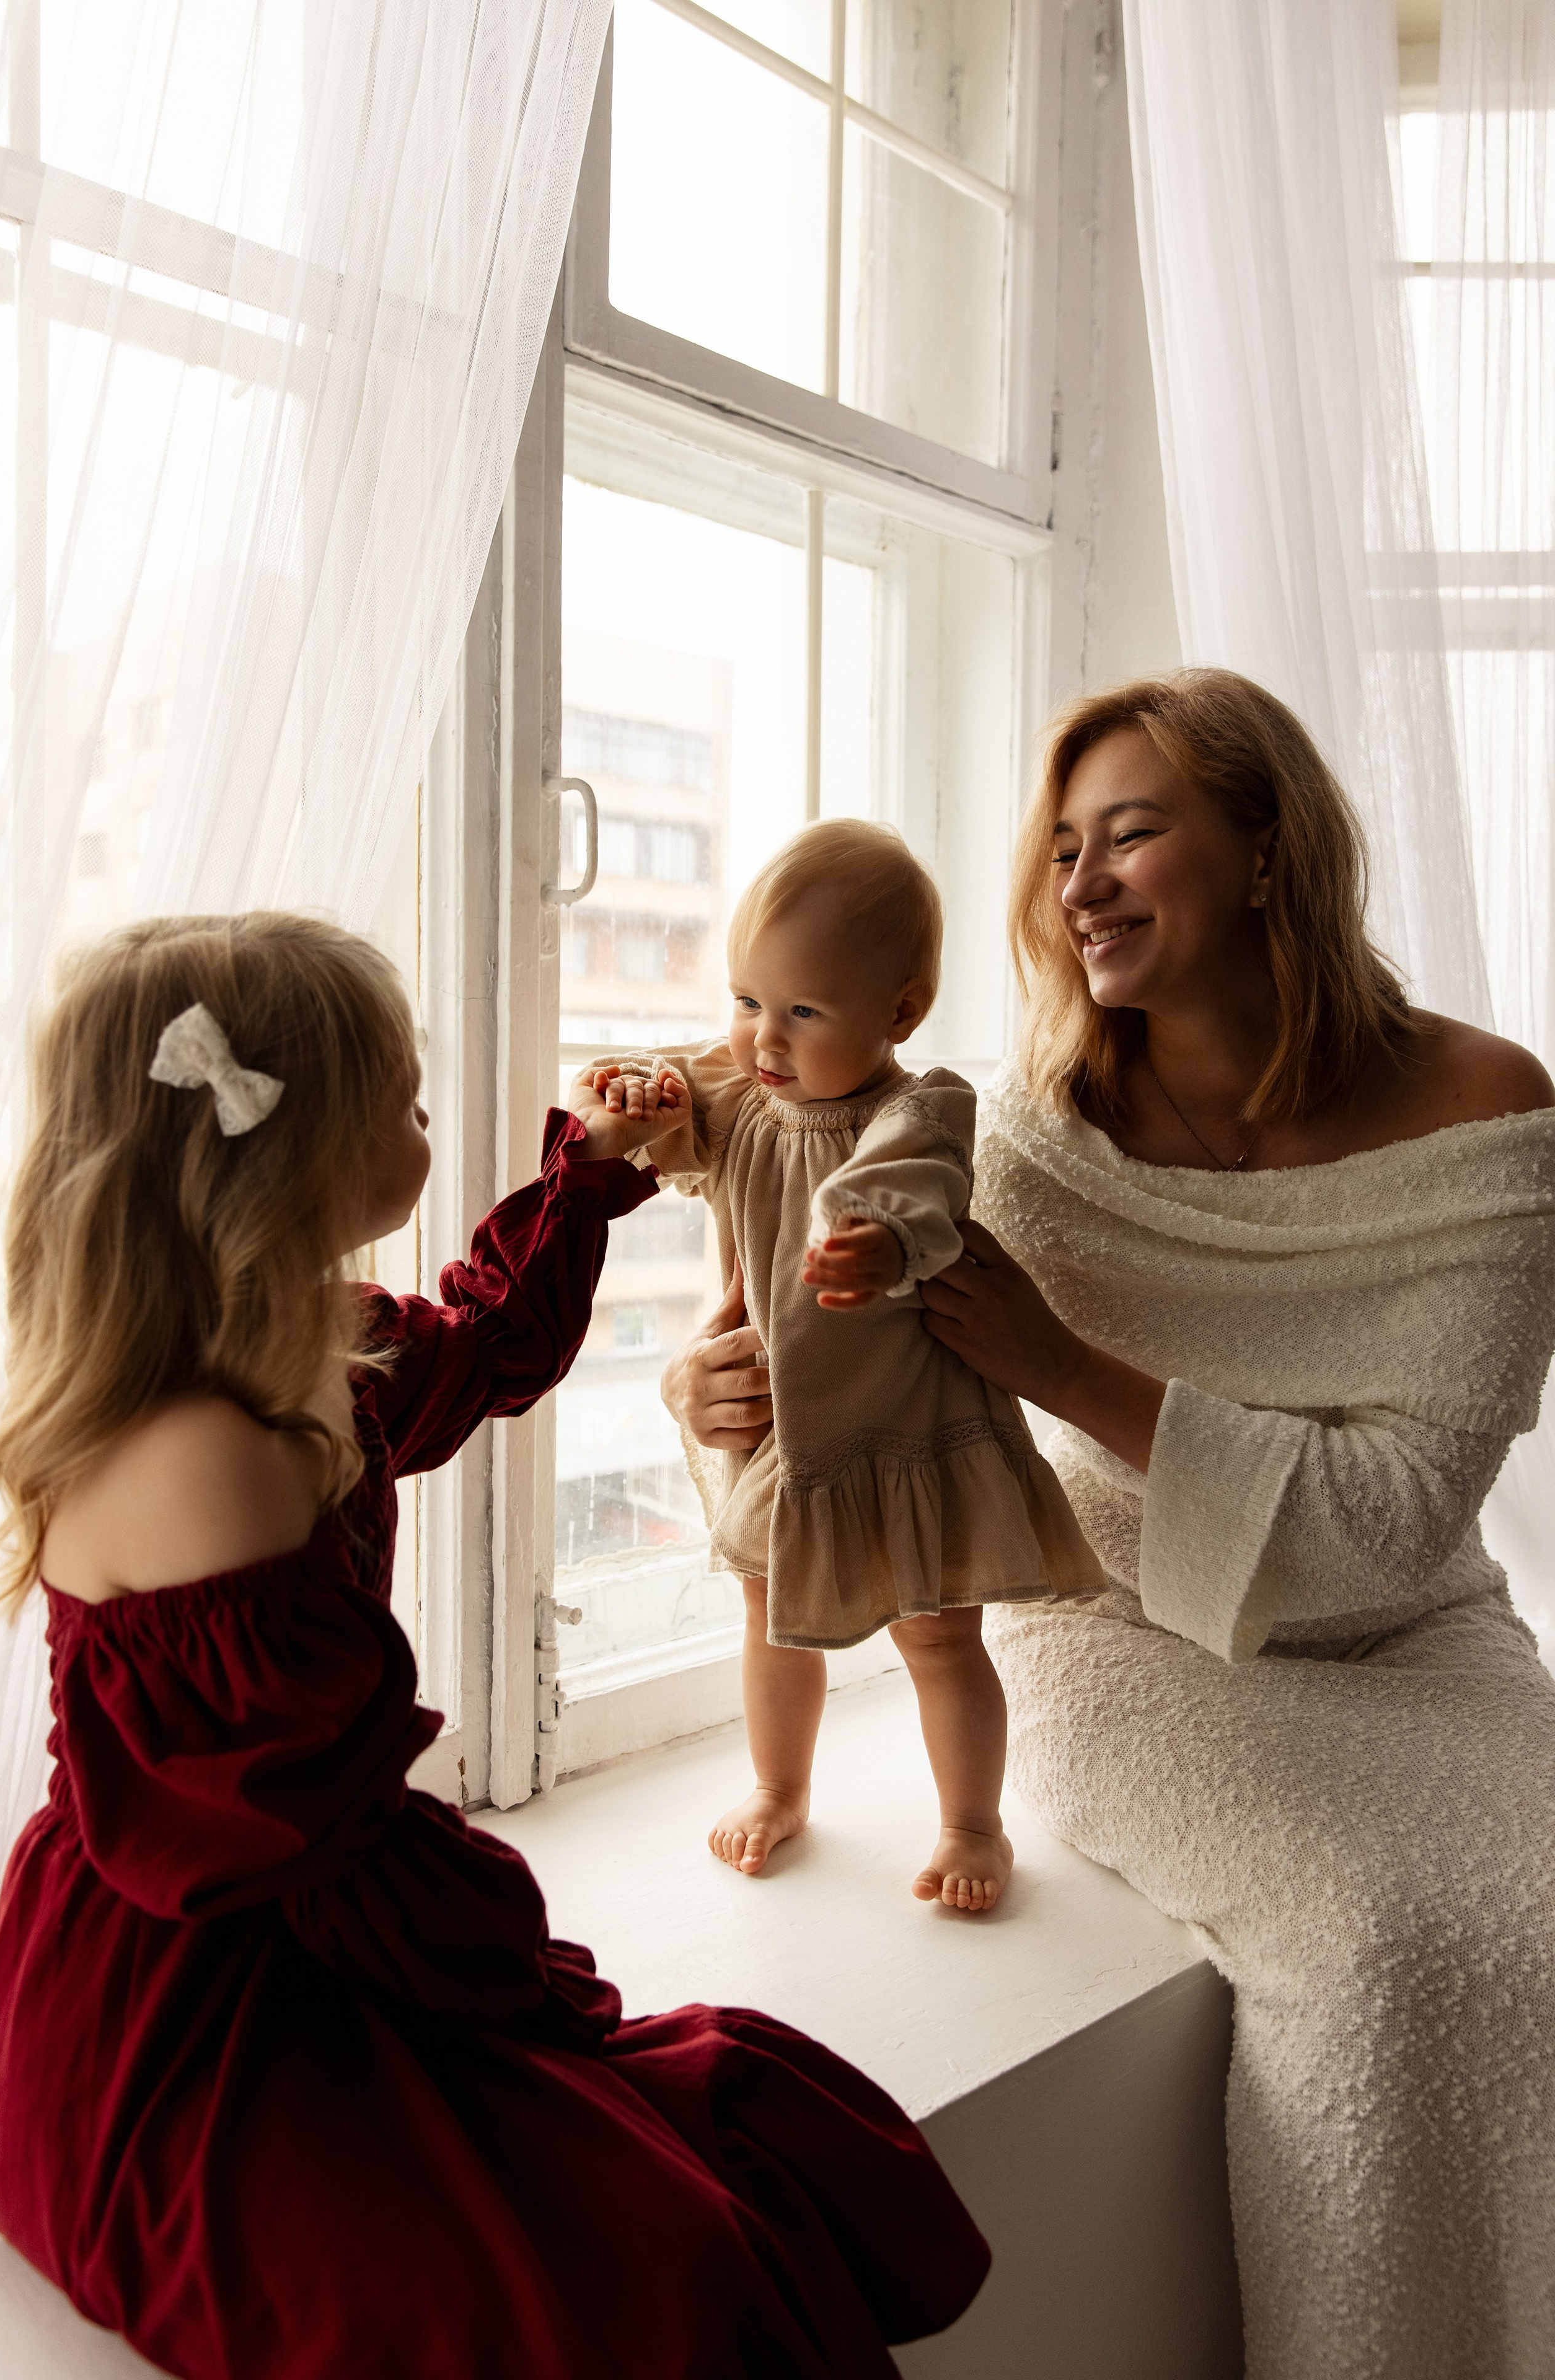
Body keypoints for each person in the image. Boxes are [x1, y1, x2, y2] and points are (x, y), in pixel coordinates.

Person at [663, 669, 1555, 2379]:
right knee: (1378, 1956)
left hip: (1420, 1627)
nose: (1078, 881)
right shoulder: (1025, 1136)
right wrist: (715, 1404)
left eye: (1132, 831)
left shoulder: (1487, 1117)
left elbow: (1392, 1524)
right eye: (1062, 845)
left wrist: (1063, 1366)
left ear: (1270, 851)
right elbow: (831, 1359)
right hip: (1118, 1620)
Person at [0, 912, 989, 2380]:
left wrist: (588, 1177)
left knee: (710, 2194)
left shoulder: (301, 1351)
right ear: (288, 1147)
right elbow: (312, 1834)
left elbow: (486, 1345)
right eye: (398, 1095)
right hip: (192, 2021)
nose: (423, 1116)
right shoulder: (204, 1454)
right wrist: (526, 1969)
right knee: (642, 2282)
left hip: (289, 1931)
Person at [584, 820, 1098, 1913]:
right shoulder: (739, 1091)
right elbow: (648, 1085)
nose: (762, 1037)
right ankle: (779, 1786)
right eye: (745, 999)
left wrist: (870, 1236)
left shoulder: (925, 1105)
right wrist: (631, 1090)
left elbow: (908, 1186)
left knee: (942, 1635)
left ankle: (973, 1822)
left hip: (910, 1421)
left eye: (802, 1011)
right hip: (794, 1432)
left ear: (899, 1011)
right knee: (770, 1614)